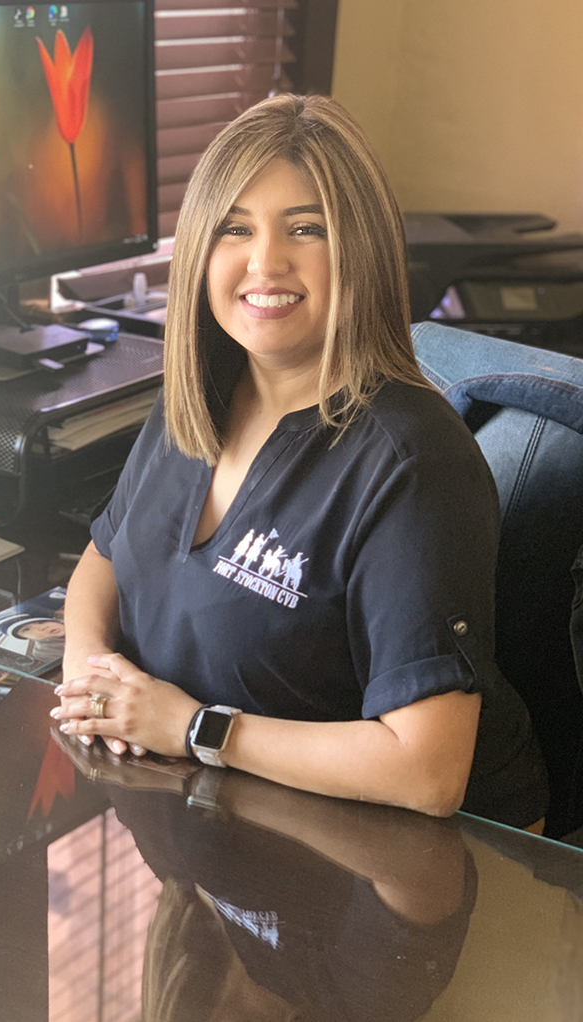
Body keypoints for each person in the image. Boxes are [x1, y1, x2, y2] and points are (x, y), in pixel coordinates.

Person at [52, 94, 548, 827]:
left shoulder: (410, 461)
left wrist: (193, 728)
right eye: (235, 229)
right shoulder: (198, 395)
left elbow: (428, 772)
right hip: (223, 814)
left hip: (405, 866)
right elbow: (106, 558)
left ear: (360, 249)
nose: (265, 263)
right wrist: (89, 674)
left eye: (306, 229)